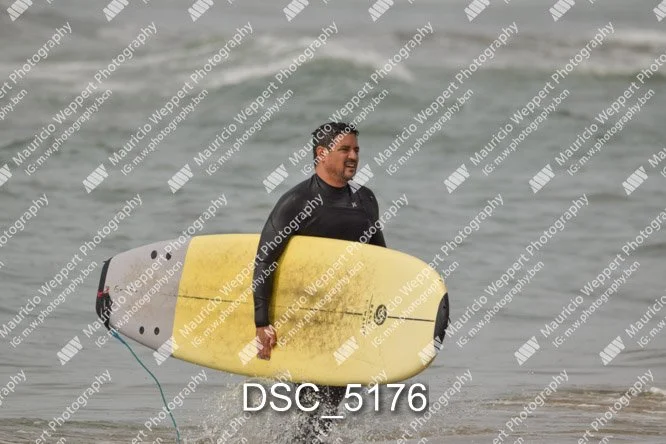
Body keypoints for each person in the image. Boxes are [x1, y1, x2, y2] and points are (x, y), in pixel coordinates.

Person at [251, 121, 387, 442]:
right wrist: (262, 322)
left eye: (356, 150)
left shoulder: (365, 200)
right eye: (345, 149)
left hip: (348, 319)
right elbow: (265, 260)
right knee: (316, 404)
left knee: (331, 402)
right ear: (322, 153)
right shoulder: (296, 201)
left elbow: (380, 258)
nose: (353, 156)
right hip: (304, 319)